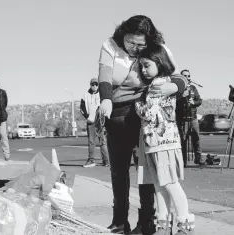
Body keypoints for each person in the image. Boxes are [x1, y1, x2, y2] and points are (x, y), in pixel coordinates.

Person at [97, 15, 187, 234]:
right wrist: (106, 99)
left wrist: (173, 87)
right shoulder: (110, 45)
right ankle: (119, 221)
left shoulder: (158, 48)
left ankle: (147, 221)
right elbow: (105, 77)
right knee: (119, 170)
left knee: (146, 171)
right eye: (131, 43)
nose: (135, 48)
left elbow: (178, 76)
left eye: (141, 45)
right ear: (123, 35)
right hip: (117, 112)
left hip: (145, 113)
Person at [135, 44, 195, 235]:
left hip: (162, 143)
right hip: (155, 143)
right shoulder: (161, 82)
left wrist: (136, 105)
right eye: (141, 66)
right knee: (159, 185)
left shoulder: (159, 84)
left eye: (147, 65)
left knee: (169, 184)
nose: (143, 70)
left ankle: (184, 224)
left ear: (159, 62)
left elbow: (148, 113)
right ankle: (163, 225)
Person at [176, 69, 204, 166]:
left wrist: (194, 103)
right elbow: (172, 102)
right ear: (181, 77)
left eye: (188, 76)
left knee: (197, 139)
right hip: (182, 119)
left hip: (193, 118)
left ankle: (198, 159)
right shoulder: (177, 88)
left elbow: (199, 100)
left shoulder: (193, 88)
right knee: (183, 141)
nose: (187, 78)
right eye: (185, 76)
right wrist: (181, 96)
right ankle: (183, 161)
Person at [80, 78, 110, 167]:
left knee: (103, 141)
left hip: (100, 121)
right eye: (92, 84)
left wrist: (102, 117)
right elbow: (82, 107)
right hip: (90, 121)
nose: (94, 86)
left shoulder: (101, 94)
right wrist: (87, 116)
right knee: (91, 142)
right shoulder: (85, 95)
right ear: (90, 85)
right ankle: (91, 160)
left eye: (96, 84)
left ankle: (106, 161)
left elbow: (105, 106)